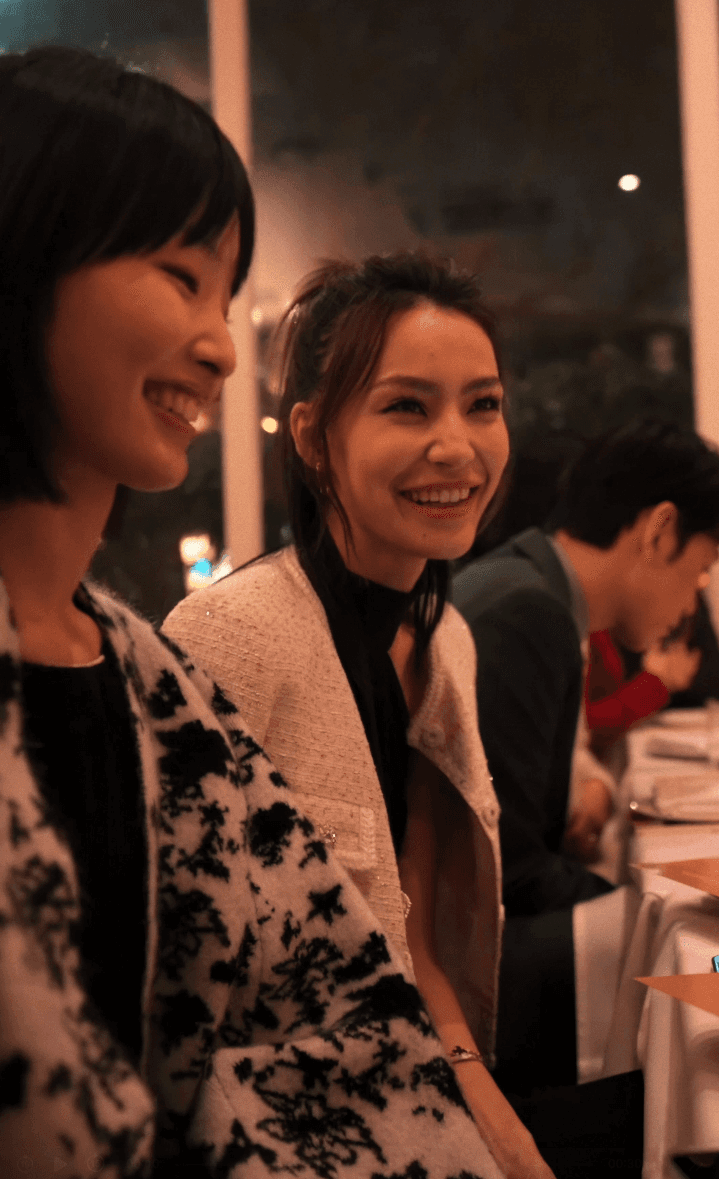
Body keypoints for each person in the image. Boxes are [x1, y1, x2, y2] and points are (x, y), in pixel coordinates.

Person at [0, 48, 507, 1179]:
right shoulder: (218, 645)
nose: (221, 343)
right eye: (180, 276)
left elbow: (323, 999)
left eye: (223, 294)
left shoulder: (138, 678)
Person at [165, 254, 644, 1179]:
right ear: (312, 436)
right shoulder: (232, 640)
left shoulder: (445, 639)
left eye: (484, 404)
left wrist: (474, 1088)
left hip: (412, 1070)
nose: (459, 446)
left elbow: (412, 927)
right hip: (290, 1121)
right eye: (407, 406)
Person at [452, 419, 719, 1093]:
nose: (695, 598)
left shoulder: (531, 586)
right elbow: (507, 874)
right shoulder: (527, 612)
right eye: (701, 571)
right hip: (467, 978)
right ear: (660, 530)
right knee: (689, 969)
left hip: (471, 936)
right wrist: (653, 908)